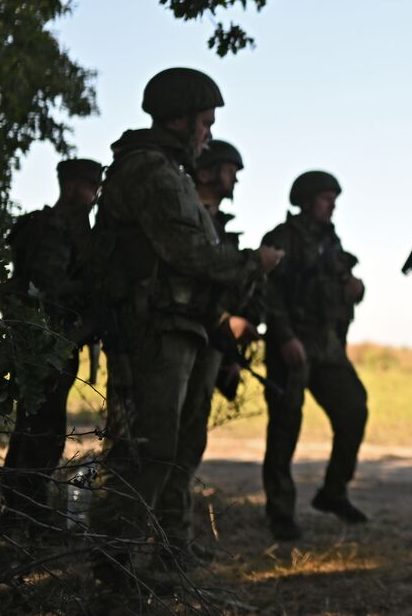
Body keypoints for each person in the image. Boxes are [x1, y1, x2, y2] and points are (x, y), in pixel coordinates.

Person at [89, 68, 281, 589]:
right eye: (204, 123)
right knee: (143, 452)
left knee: (161, 451)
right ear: (178, 119)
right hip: (153, 329)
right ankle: (114, 572)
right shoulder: (152, 170)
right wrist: (250, 264)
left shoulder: (165, 171)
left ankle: (137, 563)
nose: (208, 135)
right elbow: (188, 253)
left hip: (173, 326)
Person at [153, 138, 262, 562]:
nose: (234, 178)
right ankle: (145, 548)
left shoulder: (216, 224)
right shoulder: (188, 220)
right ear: (207, 171)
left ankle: (173, 544)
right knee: (161, 446)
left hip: (207, 345)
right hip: (177, 338)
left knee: (187, 447)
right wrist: (226, 322)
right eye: (229, 169)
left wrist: (232, 352)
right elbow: (188, 278)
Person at [261, 170, 368, 540]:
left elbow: (341, 282)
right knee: (285, 428)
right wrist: (286, 338)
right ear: (307, 200)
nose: (332, 204)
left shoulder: (330, 241)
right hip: (290, 345)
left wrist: (356, 288)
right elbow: (269, 294)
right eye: (326, 197)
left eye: (333, 197)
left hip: (326, 344)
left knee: (354, 407)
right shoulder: (283, 238)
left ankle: (333, 492)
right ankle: (280, 512)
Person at [0, 157, 103, 532]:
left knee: (39, 427)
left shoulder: (63, 229)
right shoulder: (55, 230)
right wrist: (91, 294)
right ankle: (24, 510)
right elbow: (50, 289)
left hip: (50, 342)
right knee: (41, 430)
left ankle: (25, 507)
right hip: (47, 344)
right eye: (90, 188)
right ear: (73, 186)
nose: (93, 196)